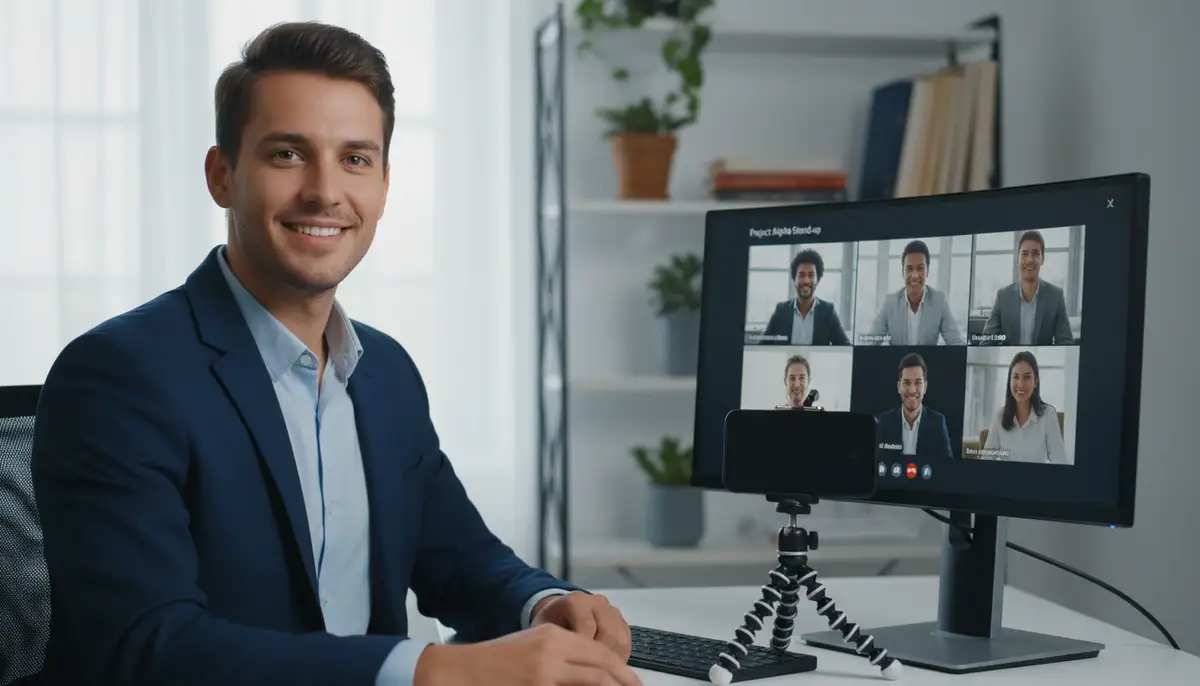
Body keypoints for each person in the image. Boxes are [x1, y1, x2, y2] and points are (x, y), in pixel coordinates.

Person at [30, 21, 640, 686]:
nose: (326, 192)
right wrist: (432, 671)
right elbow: (146, 647)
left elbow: (458, 557)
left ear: (382, 183)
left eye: (356, 158)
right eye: (288, 154)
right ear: (222, 174)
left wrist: (545, 603)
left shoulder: (385, 372)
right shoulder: (119, 376)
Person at [980, 230, 1075, 345]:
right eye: (1024, 254)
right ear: (1018, 259)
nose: (1030, 260)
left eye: (1035, 254)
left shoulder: (1056, 296)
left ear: (1042, 259)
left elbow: (1066, 343)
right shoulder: (1003, 297)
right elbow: (987, 340)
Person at [863, 240, 965, 346]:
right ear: (903, 272)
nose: (915, 275)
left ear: (928, 271)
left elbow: (956, 341)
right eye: (909, 269)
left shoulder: (939, 300)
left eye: (920, 268)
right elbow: (870, 341)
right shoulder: (890, 302)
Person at [983, 350, 1069, 464]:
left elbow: (1060, 460)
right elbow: (986, 459)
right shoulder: (999, 416)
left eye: (1027, 377)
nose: (1021, 384)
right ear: (1009, 381)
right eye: (1016, 377)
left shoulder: (1048, 415)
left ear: (1036, 381)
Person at [761, 248, 851, 346]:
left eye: (811, 275)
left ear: (818, 280)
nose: (806, 281)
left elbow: (845, 347)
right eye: (801, 275)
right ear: (794, 279)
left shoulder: (828, 311)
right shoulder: (781, 310)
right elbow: (762, 346)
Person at [875, 353, 953, 458]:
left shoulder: (938, 422)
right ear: (899, 387)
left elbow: (947, 465)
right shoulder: (884, 421)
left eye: (918, 383)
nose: (912, 390)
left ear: (925, 387)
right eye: (906, 383)